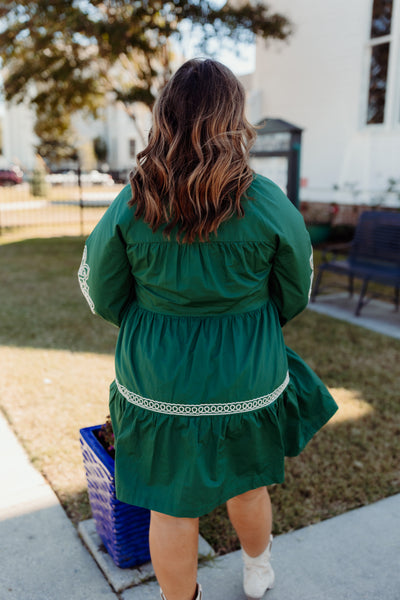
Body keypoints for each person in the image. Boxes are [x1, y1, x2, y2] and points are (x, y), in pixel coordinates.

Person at [78, 58, 338, 600]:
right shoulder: (266, 200)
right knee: (248, 484)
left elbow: (101, 293)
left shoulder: (133, 200)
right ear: (233, 118)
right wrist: (250, 323)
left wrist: (150, 319)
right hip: (246, 367)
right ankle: (257, 569)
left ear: (164, 117)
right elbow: (296, 290)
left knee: (170, 504)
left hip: (157, 374)